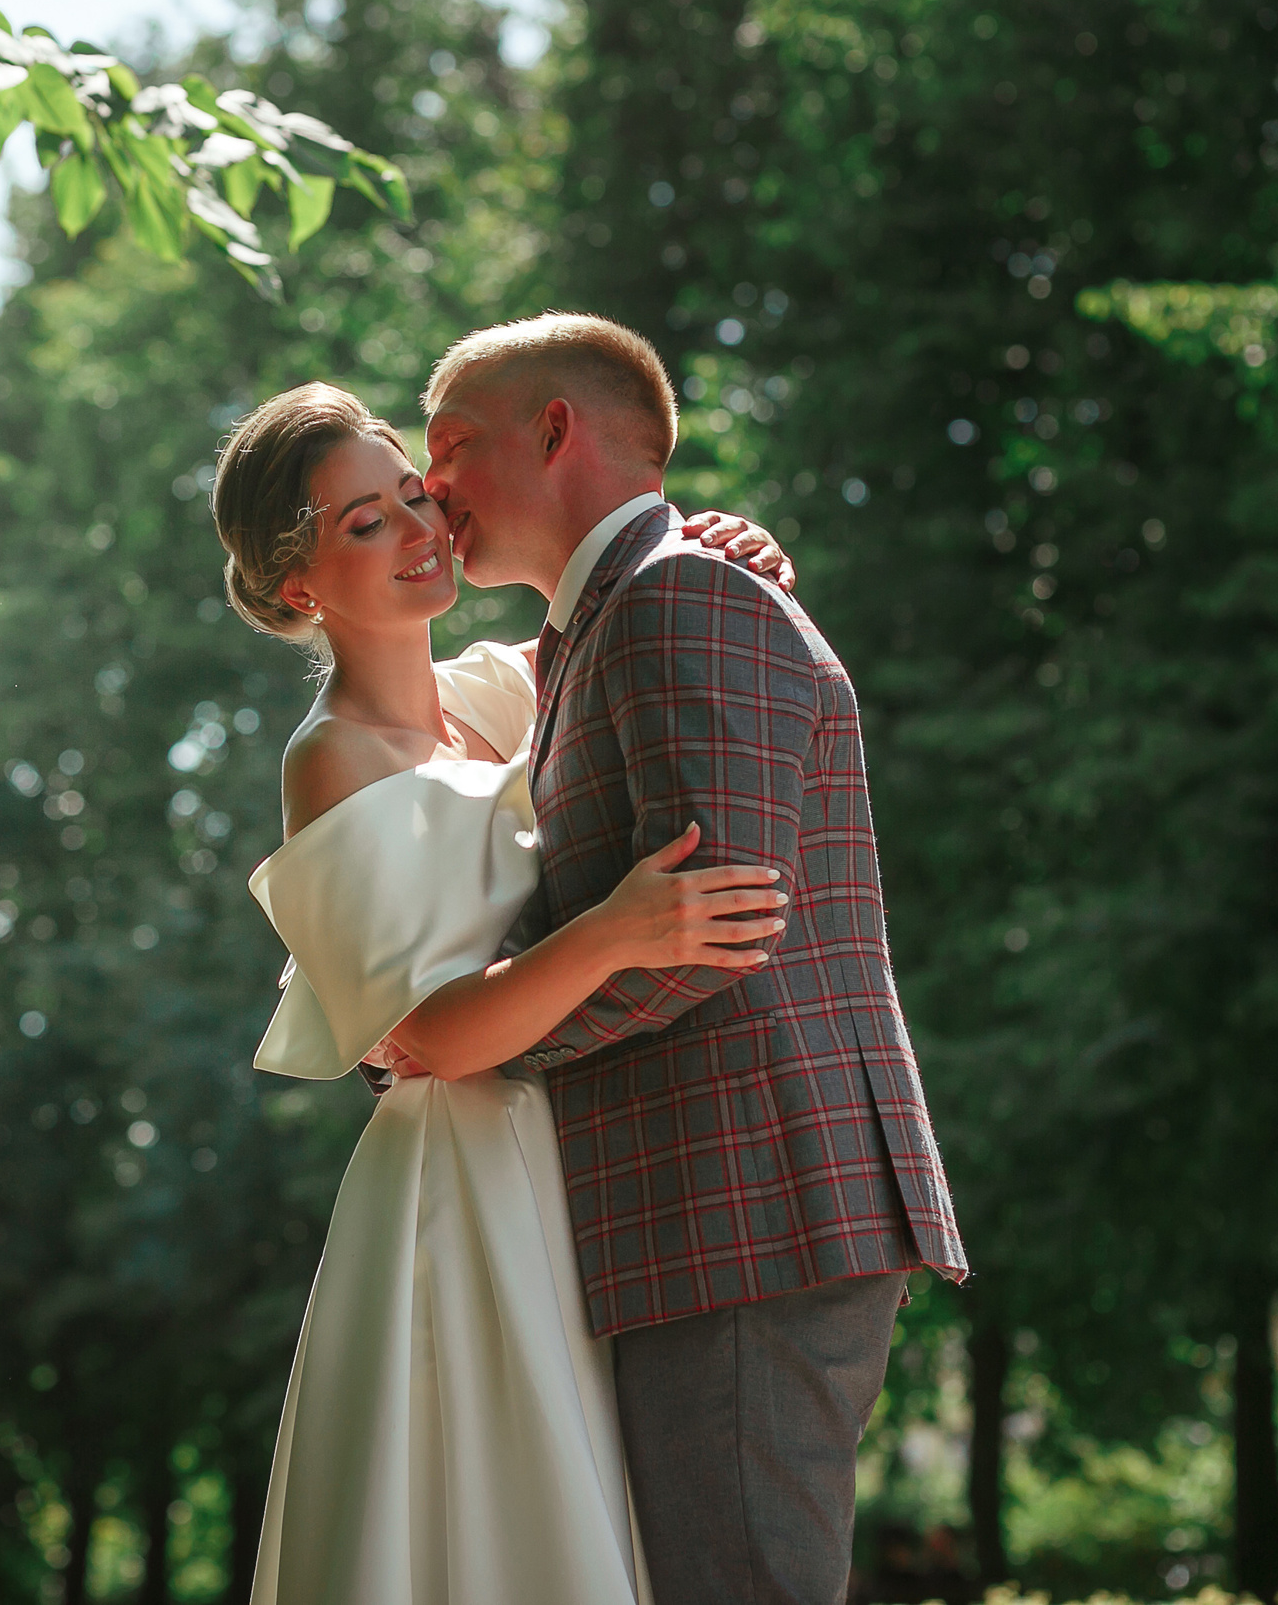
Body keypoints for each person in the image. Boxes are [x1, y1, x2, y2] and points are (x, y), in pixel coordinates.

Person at [212, 381, 799, 1604]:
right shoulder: (330, 758)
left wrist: (718, 538)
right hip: (465, 1191)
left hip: (579, 1156)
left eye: (414, 498)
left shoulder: (497, 691)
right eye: (364, 524)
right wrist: (618, 933)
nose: (421, 531)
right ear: (292, 588)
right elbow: (429, 1034)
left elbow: (631, 611)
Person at [421, 314, 968, 1605]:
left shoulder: (680, 594)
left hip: (745, 1204)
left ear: (555, 430)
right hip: (711, 1211)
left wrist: (462, 1041)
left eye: (448, 447)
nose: (430, 485)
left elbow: (714, 927)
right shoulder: (608, 619)